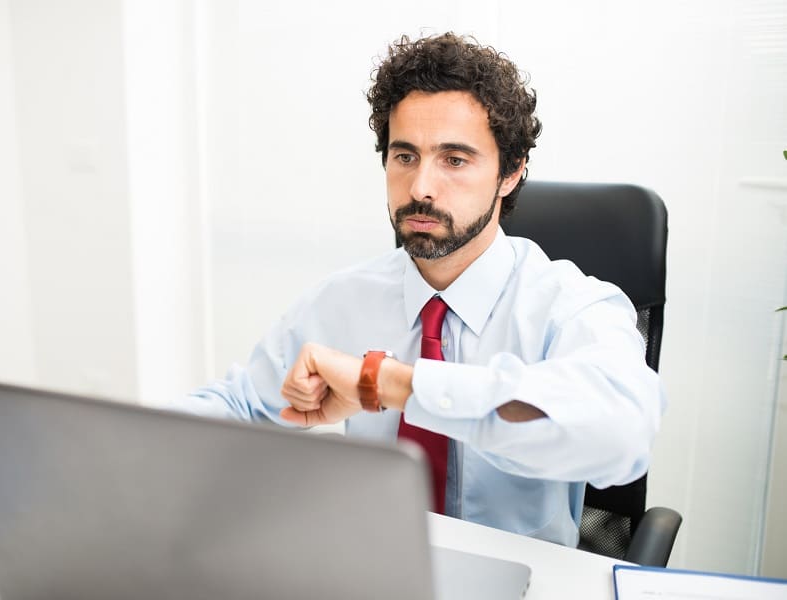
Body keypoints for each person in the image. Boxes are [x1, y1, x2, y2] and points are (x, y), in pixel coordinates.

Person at [180, 32, 664, 547]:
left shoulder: (570, 306)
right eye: (404, 156)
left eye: (454, 159)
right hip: (374, 569)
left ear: (511, 172)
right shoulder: (346, 299)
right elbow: (241, 405)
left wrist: (394, 385)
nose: (420, 188)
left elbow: (622, 437)